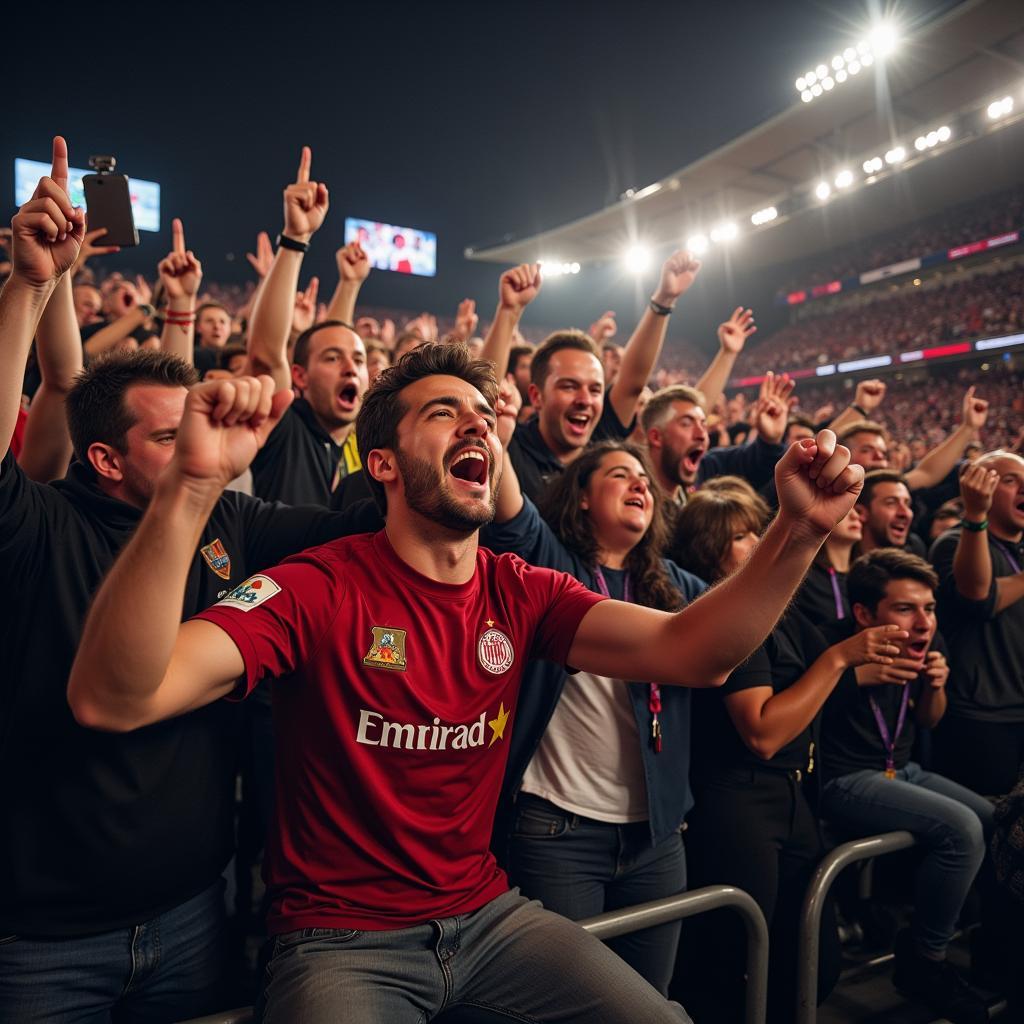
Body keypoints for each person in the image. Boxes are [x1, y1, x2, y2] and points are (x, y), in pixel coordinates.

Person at [68, 341, 866, 1023]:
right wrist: (191, 491)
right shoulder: (317, 585)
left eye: (482, 411)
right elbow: (117, 695)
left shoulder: (520, 588)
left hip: (488, 917)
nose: (478, 419)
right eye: (444, 411)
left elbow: (694, 652)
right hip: (339, 941)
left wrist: (797, 532)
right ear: (382, 462)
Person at [0, 139, 377, 1022]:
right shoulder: (38, 525)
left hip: (192, 918)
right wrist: (27, 285)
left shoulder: (230, 523)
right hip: (45, 946)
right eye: (169, 441)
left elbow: (360, 529)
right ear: (103, 458)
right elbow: (57, 383)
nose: (194, 454)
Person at [482, 432, 704, 995]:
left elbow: (731, 634)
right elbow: (513, 516)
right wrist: (497, 438)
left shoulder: (673, 585)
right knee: (567, 1003)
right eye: (619, 474)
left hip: (657, 839)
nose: (638, 484)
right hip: (559, 833)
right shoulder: (554, 565)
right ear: (581, 496)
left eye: (644, 479)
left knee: (649, 1001)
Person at [673, 490, 904, 1023]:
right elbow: (763, 732)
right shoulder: (732, 615)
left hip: (790, 796)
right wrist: (841, 658)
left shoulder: (777, 610)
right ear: (708, 551)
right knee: (736, 968)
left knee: (808, 965)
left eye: (758, 529)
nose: (757, 543)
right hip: (741, 802)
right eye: (740, 536)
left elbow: (807, 691)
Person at [819, 549, 994, 1024]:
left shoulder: (920, 649)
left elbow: (926, 721)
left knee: (996, 821)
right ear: (863, 614)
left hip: (902, 769)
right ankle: (925, 959)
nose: (923, 623)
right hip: (845, 778)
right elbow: (801, 724)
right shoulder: (833, 646)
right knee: (961, 830)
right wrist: (852, 680)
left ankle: (986, 945)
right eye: (905, 609)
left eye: (930, 609)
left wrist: (935, 687)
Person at [245, 148, 369, 506]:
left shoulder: (368, 443)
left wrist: (349, 285)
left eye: (359, 361)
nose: (350, 367)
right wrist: (295, 240)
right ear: (299, 376)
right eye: (332, 360)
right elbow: (267, 357)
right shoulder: (286, 426)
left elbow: (336, 338)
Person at [929, 453, 1024, 797]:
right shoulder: (954, 542)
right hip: (980, 720)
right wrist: (975, 514)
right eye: (1010, 480)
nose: (1023, 487)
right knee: (990, 828)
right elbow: (978, 597)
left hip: (1017, 711)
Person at [854, 469, 927, 556]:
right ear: (860, 512)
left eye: (907, 504)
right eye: (891, 503)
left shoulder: (915, 551)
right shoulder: (840, 561)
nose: (905, 513)